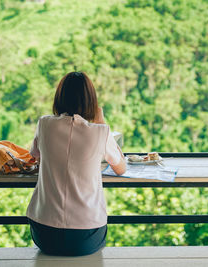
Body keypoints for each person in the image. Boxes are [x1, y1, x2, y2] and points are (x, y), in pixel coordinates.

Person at [26, 71, 126, 256]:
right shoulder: (100, 132)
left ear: (59, 98)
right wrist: (102, 123)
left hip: (44, 233)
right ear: (91, 102)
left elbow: (34, 156)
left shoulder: (44, 124)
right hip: (86, 236)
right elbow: (120, 168)